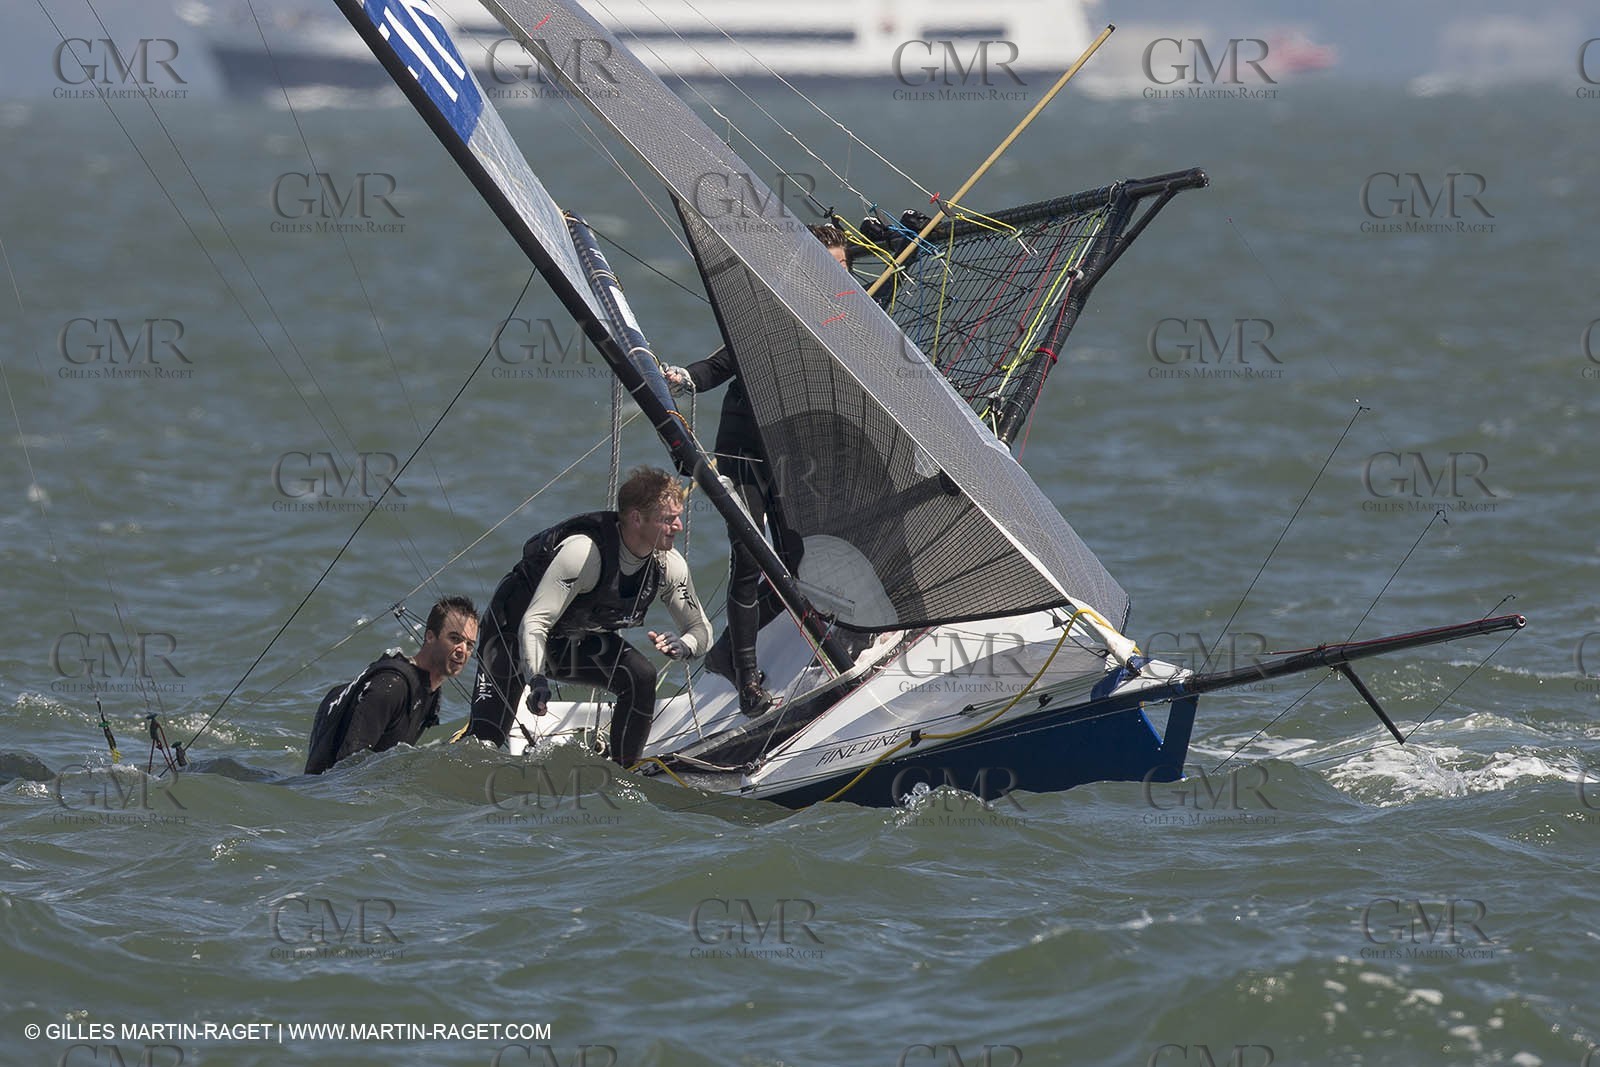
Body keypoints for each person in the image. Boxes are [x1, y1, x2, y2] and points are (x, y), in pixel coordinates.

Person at [662, 223, 846, 716]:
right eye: (825, 265)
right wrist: (684, 378)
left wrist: (898, 241)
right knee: (749, 559)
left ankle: (732, 649)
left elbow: (882, 291)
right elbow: (719, 365)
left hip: (791, 455)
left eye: (843, 266)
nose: (835, 274)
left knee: (794, 556)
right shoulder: (767, 316)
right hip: (743, 451)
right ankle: (747, 683)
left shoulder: (840, 315)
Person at [465, 466, 712, 768]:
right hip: (512, 639)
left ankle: (624, 772)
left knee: (640, 677)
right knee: (483, 745)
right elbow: (534, 622)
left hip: (571, 640)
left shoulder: (669, 566)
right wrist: (537, 679)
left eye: (679, 517)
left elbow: (699, 628)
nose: (679, 527)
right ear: (636, 518)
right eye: (668, 519)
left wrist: (684, 644)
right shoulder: (584, 554)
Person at [304, 595, 479, 774]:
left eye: (470, 644)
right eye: (455, 638)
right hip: (324, 788)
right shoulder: (392, 686)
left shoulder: (429, 691)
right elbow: (348, 764)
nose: (462, 650)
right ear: (430, 636)